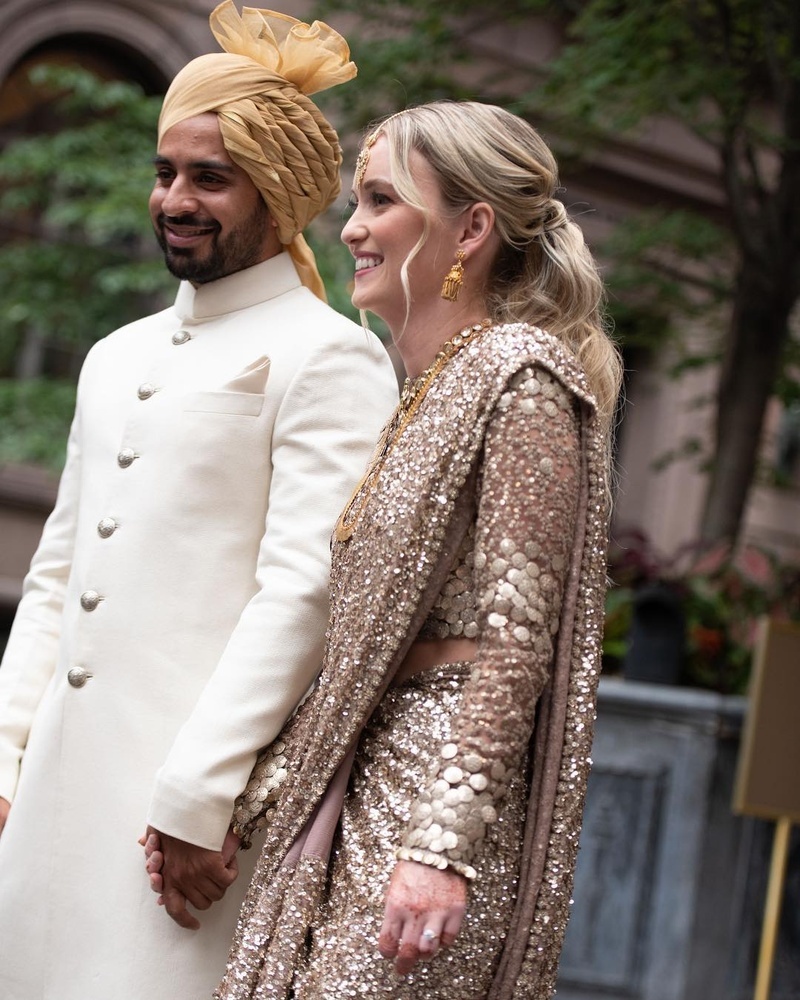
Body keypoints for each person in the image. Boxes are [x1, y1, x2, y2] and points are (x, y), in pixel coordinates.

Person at [0, 4, 397, 999]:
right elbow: (57, 574)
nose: (175, 198)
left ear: (280, 192)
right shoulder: (115, 354)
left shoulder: (333, 356)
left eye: (209, 178)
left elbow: (302, 594)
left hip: (176, 824)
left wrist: (194, 794)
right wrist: (5, 755)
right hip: (47, 798)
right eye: (165, 171)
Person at [202, 100, 623, 998]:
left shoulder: (524, 376)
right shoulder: (426, 388)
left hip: (434, 808)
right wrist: (258, 794)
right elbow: (359, 645)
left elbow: (519, 645)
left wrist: (439, 847)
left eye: (383, 201)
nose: (351, 227)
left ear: (471, 229)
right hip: (357, 791)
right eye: (357, 201)